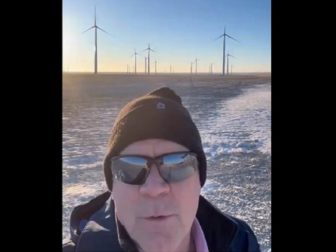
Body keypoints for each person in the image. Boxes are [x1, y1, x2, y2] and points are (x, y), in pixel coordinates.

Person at [63, 87, 260, 252]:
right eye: (130, 168)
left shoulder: (242, 243)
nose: (154, 188)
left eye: (178, 165)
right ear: (112, 186)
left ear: (199, 179)